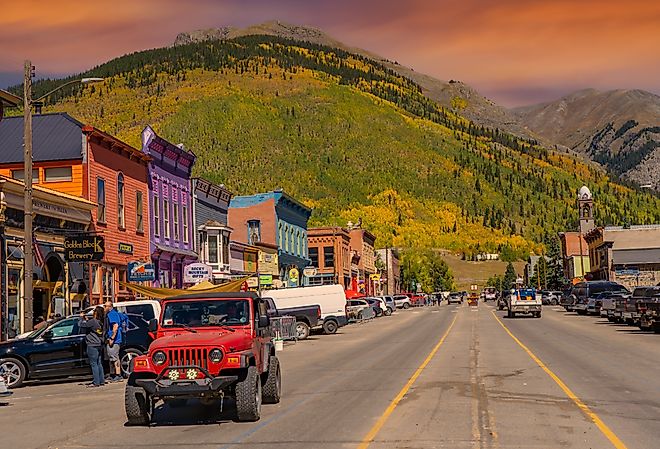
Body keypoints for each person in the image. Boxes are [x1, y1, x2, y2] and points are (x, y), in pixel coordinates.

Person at [79, 306, 105, 387]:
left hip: (92, 344)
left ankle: (96, 382)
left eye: (94, 311)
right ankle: (101, 380)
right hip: (99, 343)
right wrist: (86, 320)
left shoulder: (93, 321)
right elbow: (90, 326)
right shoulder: (101, 321)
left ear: (96, 313)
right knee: (99, 363)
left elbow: (81, 325)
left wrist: (81, 318)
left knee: (94, 364)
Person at [104, 301, 123, 382]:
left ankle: (118, 375)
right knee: (111, 357)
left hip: (114, 340)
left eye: (105, 306)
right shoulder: (110, 314)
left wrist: (112, 338)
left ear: (110, 306)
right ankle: (112, 374)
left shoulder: (112, 314)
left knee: (115, 358)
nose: (104, 307)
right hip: (111, 339)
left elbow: (115, 326)